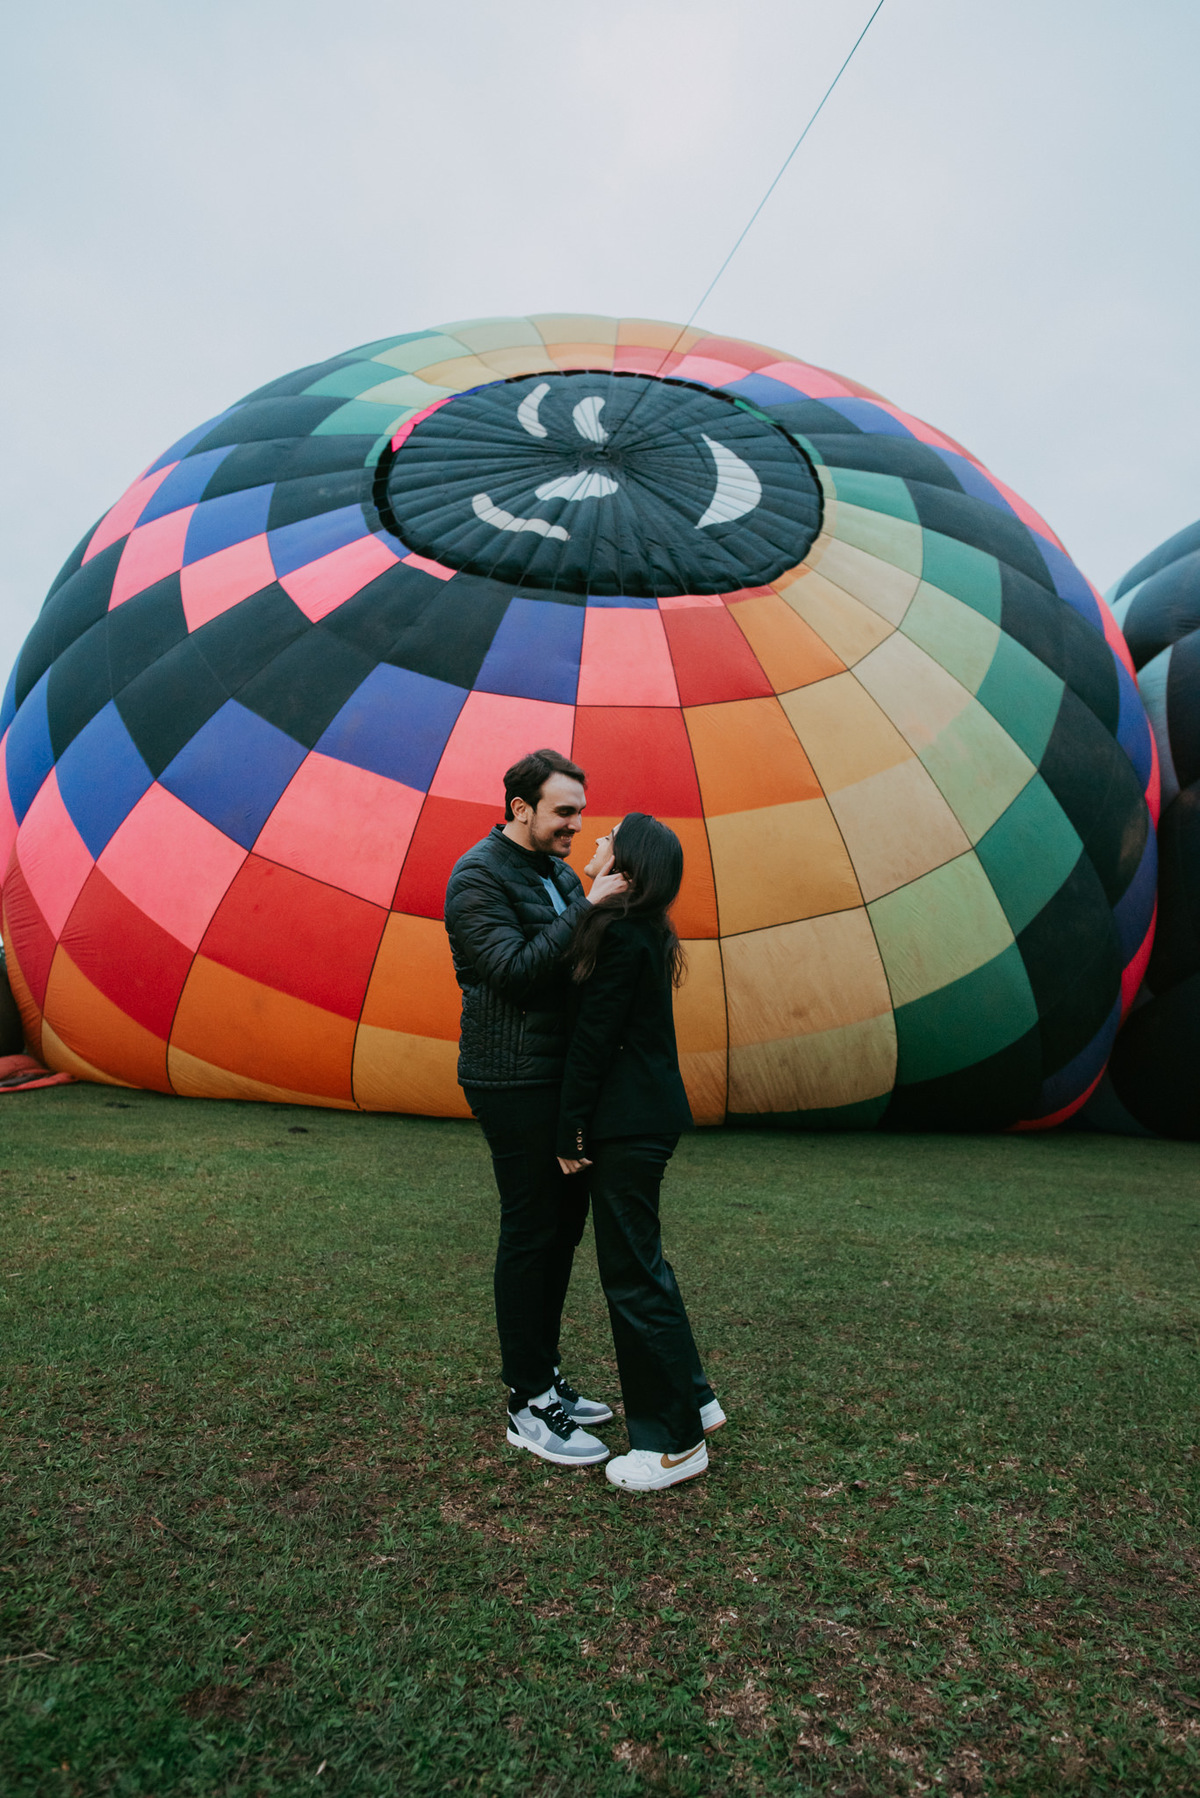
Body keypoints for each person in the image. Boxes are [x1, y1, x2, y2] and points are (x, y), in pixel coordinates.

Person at [444, 747, 627, 1469]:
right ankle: (526, 1403)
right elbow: (516, 973)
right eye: (563, 812)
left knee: (562, 1228)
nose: (576, 825)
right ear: (521, 807)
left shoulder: (553, 872)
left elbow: (573, 960)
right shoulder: (476, 876)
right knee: (532, 1228)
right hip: (510, 1078)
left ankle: (546, 1375)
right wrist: (592, 903)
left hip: (559, 1079)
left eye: (579, 811)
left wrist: (590, 896)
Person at [556, 814, 726, 1492]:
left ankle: (674, 1444)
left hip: (625, 1123)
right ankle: (696, 1398)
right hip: (645, 1118)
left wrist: (568, 1131)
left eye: (608, 839)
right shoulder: (645, 929)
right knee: (644, 1264)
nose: (594, 843)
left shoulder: (621, 934)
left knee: (630, 1275)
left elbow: (593, 1040)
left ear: (627, 862)